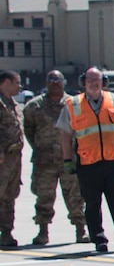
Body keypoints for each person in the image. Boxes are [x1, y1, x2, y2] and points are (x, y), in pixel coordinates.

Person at [61, 67, 114, 253]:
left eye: (97, 80)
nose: (93, 83)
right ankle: (99, 240)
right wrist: (67, 160)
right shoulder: (72, 104)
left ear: (103, 81)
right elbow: (65, 135)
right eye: (89, 80)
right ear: (83, 82)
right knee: (92, 205)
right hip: (88, 164)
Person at [21, 70, 88, 247]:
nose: (54, 83)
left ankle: (81, 230)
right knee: (44, 197)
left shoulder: (73, 104)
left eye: (58, 79)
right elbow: (28, 130)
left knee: (76, 196)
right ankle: (43, 232)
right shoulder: (34, 106)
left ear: (64, 82)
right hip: (44, 162)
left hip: (69, 160)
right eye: (51, 80)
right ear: (46, 82)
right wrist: (41, 147)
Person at [0, 70, 21, 249]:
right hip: (2, 159)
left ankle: (6, 232)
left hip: (14, 159)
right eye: (17, 82)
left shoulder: (12, 104)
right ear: (7, 82)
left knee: (10, 196)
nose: (19, 86)